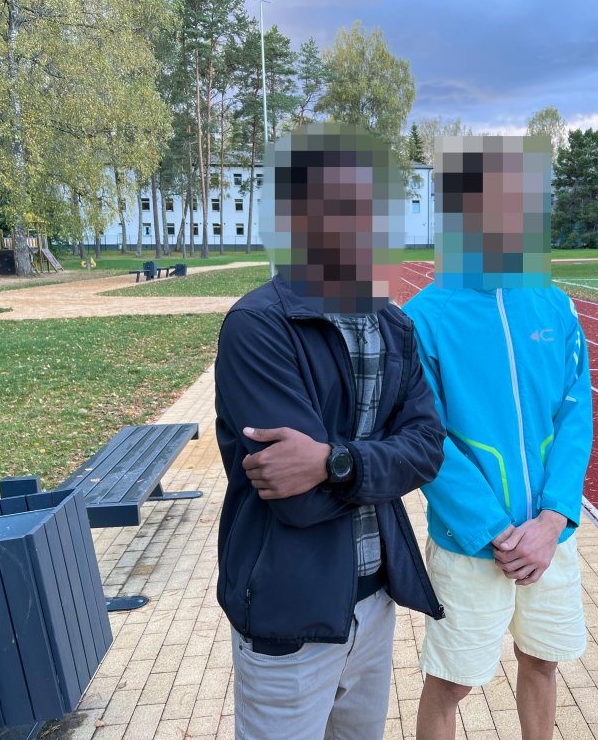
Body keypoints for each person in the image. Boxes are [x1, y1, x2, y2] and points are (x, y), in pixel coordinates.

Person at [214, 122, 446, 740]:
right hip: (290, 612)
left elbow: (426, 449)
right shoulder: (258, 327)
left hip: (374, 601)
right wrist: (364, 464)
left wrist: (334, 461)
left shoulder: (393, 327)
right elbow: (294, 496)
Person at [405, 136, 594, 740]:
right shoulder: (424, 317)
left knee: (542, 662)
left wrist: (554, 519)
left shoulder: (554, 306)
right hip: (472, 542)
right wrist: (496, 530)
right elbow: (425, 437)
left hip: (548, 537)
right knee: (451, 683)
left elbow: (575, 415)